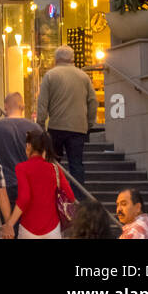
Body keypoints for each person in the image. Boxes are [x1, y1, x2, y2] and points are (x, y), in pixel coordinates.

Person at [36, 44, 98, 194]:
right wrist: (89, 123)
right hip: (78, 128)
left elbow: (42, 102)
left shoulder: (50, 75)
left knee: (54, 163)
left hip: (56, 126)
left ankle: (54, 193)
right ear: (73, 59)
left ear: (56, 59)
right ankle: (78, 197)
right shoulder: (83, 76)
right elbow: (93, 101)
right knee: (76, 164)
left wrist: (40, 125)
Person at [0, 91, 42, 220]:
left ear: (5, 106)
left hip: (5, 186)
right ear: (23, 107)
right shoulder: (35, 128)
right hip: (30, 185)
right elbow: (43, 159)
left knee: (9, 228)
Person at [7, 129, 74, 240]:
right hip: (53, 229)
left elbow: (24, 198)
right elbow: (70, 196)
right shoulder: (55, 169)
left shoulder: (21, 168)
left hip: (28, 228)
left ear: (28, 146)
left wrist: (10, 223)